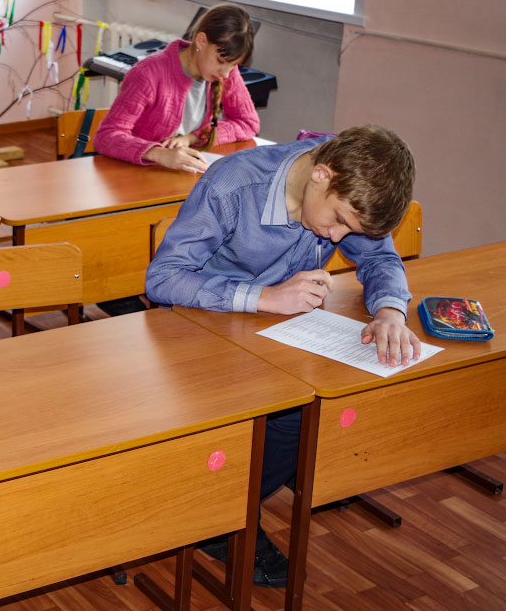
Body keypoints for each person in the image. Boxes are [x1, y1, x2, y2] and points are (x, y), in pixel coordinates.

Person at [145, 124, 421, 587]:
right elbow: (164, 278)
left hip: (278, 333)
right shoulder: (235, 184)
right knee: (288, 415)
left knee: (312, 410)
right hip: (199, 329)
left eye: (348, 230)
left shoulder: (345, 189)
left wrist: (391, 311)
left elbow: (379, 259)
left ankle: (233, 501)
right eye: (337, 221)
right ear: (321, 174)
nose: (336, 236)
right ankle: (222, 517)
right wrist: (265, 297)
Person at [94, 3, 260, 174]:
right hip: (139, 173)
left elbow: (248, 122)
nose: (225, 73)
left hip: (184, 173)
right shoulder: (148, 73)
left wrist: (192, 137)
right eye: (220, 61)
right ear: (201, 41)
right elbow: (107, 136)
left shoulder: (226, 73)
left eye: (233, 65)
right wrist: (157, 153)